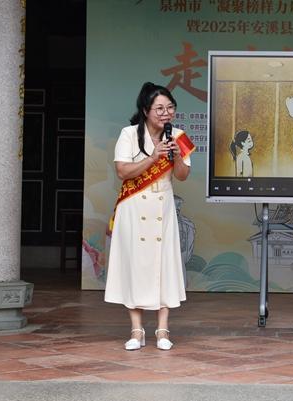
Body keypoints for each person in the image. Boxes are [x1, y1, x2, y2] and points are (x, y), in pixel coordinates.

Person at [104, 82, 195, 351]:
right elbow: (123, 172)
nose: (166, 113)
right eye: (159, 108)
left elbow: (183, 176)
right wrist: (154, 157)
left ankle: (163, 330)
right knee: (135, 265)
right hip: (134, 207)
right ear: (145, 110)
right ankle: (136, 331)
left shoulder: (180, 136)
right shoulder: (129, 134)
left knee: (164, 264)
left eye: (170, 108)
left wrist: (177, 158)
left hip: (163, 206)